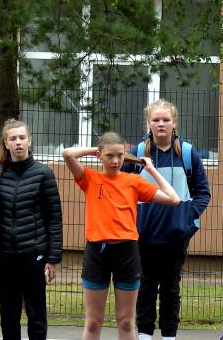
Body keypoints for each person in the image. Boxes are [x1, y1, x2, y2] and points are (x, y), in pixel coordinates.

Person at [62, 132, 181, 340]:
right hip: (97, 252)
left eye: (120, 155)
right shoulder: (90, 178)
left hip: (127, 252)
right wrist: (95, 150)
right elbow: (67, 154)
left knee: (126, 322)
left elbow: (173, 198)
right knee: (92, 322)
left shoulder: (133, 181)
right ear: (100, 156)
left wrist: (151, 169)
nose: (116, 161)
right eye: (109, 156)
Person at [122, 99, 211, 340]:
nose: (161, 124)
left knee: (171, 287)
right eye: (156, 120)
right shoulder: (137, 155)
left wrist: (187, 218)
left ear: (175, 123)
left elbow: (203, 193)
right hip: (144, 233)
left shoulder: (188, 154)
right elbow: (121, 190)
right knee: (146, 286)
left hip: (176, 234)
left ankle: (169, 335)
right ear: (148, 124)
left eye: (166, 120)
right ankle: (144, 334)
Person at [0, 119, 63, 340]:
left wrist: (53, 258)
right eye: (13, 139)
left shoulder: (44, 174)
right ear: (6, 143)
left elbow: (54, 218)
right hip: (5, 255)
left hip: (34, 254)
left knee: (35, 312)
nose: (18, 142)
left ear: (30, 141)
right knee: (8, 314)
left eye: (22, 138)